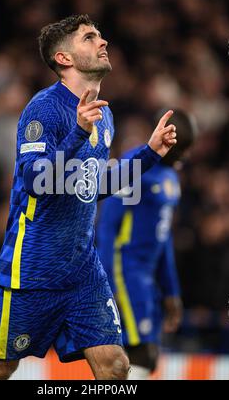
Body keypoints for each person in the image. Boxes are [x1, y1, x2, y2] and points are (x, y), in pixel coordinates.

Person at [0, 14, 177, 380]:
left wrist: (150, 154)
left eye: (99, 35)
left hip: (82, 269)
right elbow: (35, 179)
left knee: (115, 366)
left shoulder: (102, 116)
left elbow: (93, 187)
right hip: (32, 269)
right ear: (64, 58)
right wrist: (78, 132)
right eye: (90, 37)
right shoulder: (44, 109)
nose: (103, 41)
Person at [96, 109, 196, 379]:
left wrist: (171, 290)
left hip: (147, 279)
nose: (185, 156)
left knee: (141, 357)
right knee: (141, 353)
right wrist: (106, 283)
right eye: (182, 149)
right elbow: (107, 227)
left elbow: (163, 238)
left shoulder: (171, 179)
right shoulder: (135, 166)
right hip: (124, 270)